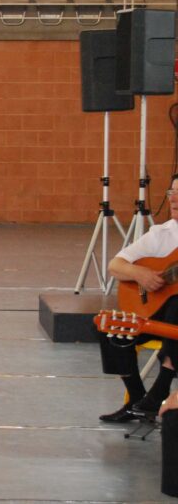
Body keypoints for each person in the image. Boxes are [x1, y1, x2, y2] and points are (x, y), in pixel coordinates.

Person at [99, 174, 178, 423]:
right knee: (111, 329)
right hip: (152, 313)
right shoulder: (161, 234)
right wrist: (140, 273)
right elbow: (115, 265)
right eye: (171, 193)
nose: (174, 198)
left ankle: (159, 391)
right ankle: (136, 399)